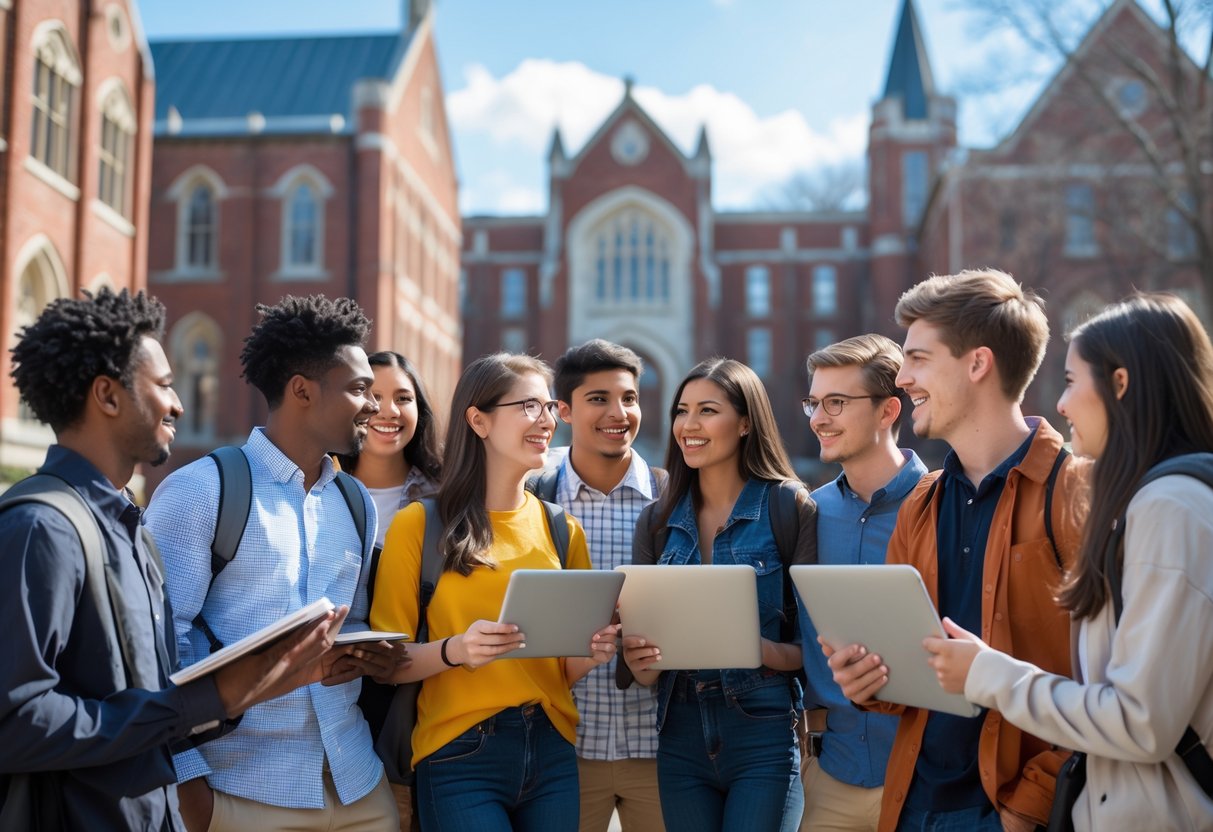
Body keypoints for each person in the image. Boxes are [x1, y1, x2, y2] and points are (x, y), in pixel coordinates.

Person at [0, 289, 353, 832]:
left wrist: (245, 689)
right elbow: (15, 723)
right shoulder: (41, 527)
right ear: (107, 396)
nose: (179, 403)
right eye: (163, 385)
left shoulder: (127, 526)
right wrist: (211, 699)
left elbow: (138, 699)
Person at [924, 292, 1213, 832]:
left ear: (1120, 384)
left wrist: (989, 673)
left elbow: (1139, 723)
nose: (1060, 404)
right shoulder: (1157, 500)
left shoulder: (1171, 507)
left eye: (1073, 381)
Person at [826, 269, 1089, 832]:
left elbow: (1114, 683)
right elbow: (911, 679)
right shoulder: (920, 504)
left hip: (1017, 811)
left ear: (977, 364)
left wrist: (1031, 806)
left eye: (918, 358)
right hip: (912, 804)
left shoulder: (1077, 493)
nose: (902, 377)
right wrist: (869, 682)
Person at [146, 295, 404, 832]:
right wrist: (189, 788)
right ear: (302, 390)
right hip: (240, 789)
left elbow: (348, 624)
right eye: (359, 389)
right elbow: (154, 645)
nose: (375, 407)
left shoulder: (355, 503)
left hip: (357, 784)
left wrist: (364, 653)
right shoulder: (201, 492)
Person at [370, 352, 619, 832]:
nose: (546, 420)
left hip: (552, 750)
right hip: (459, 752)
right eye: (529, 406)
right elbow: (386, 663)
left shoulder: (563, 529)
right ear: (478, 420)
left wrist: (592, 654)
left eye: (549, 407)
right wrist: (457, 649)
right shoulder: (419, 524)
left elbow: (560, 672)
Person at [621, 357, 816, 832]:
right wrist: (638, 658)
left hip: (762, 726)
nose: (689, 425)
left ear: (746, 422)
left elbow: (818, 646)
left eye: (707, 411)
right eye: (681, 411)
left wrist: (757, 650)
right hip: (678, 729)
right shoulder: (656, 519)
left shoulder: (787, 505)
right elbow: (640, 672)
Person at [798, 334, 928, 832]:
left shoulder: (940, 506)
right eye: (814, 402)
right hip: (831, 777)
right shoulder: (808, 512)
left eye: (836, 402)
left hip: (924, 775)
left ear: (888, 410)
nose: (818, 418)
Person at [544, 340, 666, 832]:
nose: (619, 413)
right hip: (564, 751)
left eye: (629, 398)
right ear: (565, 411)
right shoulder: (535, 500)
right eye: (598, 399)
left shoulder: (671, 498)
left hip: (659, 748)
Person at [336, 351, 443, 550]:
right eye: (374, 396)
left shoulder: (445, 496)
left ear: (419, 409)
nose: (389, 411)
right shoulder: (321, 488)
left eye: (403, 398)